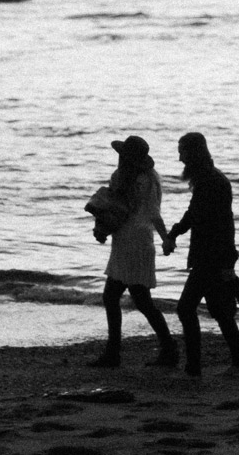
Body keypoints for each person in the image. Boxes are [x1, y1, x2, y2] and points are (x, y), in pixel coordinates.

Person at [167, 132, 239, 379]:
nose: (180, 157)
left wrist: (173, 233)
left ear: (193, 153)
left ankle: (194, 367)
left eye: (182, 151)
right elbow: (207, 217)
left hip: (210, 256)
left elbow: (201, 217)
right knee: (220, 311)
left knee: (185, 308)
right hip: (213, 254)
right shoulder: (211, 179)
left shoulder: (210, 182)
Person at [91, 135, 178, 368]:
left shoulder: (120, 178)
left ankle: (115, 353)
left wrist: (101, 230)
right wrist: (165, 238)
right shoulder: (150, 180)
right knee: (141, 300)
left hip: (127, 242)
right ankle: (167, 349)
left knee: (114, 298)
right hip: (140, 242)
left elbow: (111, 210)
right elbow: (153, 213)